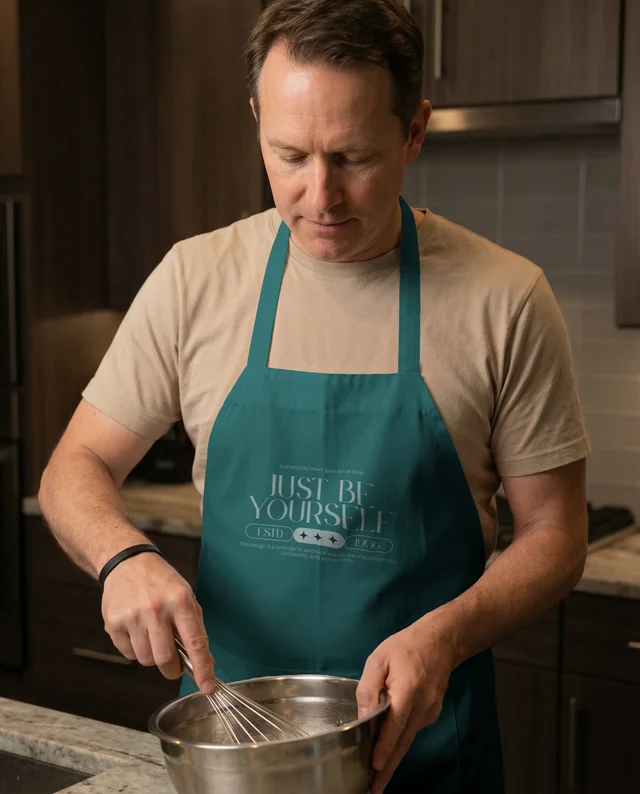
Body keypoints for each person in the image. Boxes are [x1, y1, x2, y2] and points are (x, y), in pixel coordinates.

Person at [38, 0, 590, 791]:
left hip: (427, 751)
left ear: (415, 131)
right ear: (257, 117)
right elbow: (74, 466)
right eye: (289, 155)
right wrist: (121, 557)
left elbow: (556, 535)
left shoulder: (505, 298)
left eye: (353, 157)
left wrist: (447, 634)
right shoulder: (197, 279)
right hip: (238, 754)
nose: (319, 196)